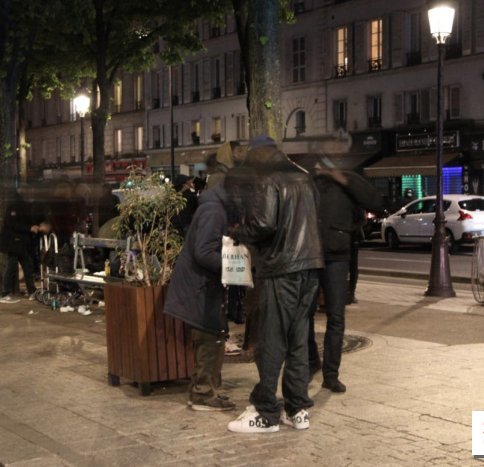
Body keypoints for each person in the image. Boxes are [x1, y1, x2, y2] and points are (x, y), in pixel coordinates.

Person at [227, 135, 324, 434]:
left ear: (259, 154)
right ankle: (297, 410)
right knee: (298, 340)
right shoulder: (303, 176)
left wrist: (239, 232)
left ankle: (265, 412)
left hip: (282, 268)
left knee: (271, 340)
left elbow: (264, 224)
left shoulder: (268, 178)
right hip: (310, 266)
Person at [308, 162, 383, 393]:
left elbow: (375, 202)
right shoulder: (307, 177)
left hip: (337, 256)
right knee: (303, 316)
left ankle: (330, 374)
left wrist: (346, 180)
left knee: (336, 317)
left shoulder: (346, 179)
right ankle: (311, 361)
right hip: (308, 255)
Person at [164, 183, 236, 412]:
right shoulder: (214, 210)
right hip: (198, 287)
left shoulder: (216, 207)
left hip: (203, 285)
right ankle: (202, 394)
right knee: (208, 336)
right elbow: (203, 252)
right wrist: (234, 267)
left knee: (215, 336)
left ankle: (206, 389)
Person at [0, 191, 50, 303]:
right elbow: (12, 224)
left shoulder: (25, 206)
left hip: (20, 243)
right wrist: (30, 228)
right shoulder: (15, 206)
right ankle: (5, 293)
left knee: (27, 265)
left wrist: (37, 226)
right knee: (11, 266)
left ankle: (31, 291)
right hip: (13, 242)